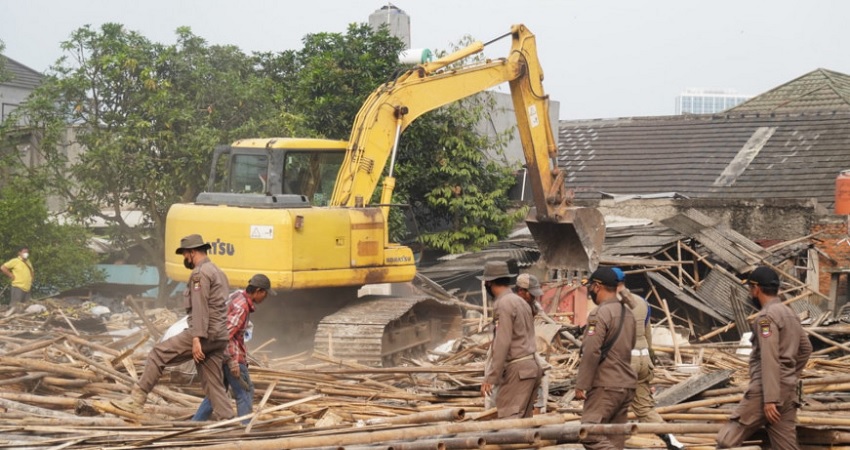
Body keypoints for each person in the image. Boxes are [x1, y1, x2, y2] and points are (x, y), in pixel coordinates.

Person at [113, 234, 234, 420]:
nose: (185, 258)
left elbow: (201, 306)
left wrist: (196, 338)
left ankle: (135, 401)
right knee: (213, 384)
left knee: (157, 354)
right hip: (219, 336)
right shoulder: (218, 272)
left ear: (192, 252)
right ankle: (230, 422)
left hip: (204, 333)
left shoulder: (199, 274)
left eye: (185, 254)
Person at [716, 266, 812, 450]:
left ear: (756, 289)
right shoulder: (790, 314)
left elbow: (769, 356)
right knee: (786, 446)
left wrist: (770, 399)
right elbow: (806, 349)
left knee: (726, 441)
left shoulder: (766, 318)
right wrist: (789, 375)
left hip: (765, 393)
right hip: (788, 391)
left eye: (750, 289)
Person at [612, 267, 684, 450]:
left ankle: (611, 443)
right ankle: (672, 440)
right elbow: (647, 334)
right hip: (643, 358)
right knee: (644, 408)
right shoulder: (642, 302)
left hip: (624, 361)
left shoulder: (611, 304)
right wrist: (650, 361)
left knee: (611, 405)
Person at [193, 274, 274, 424]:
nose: (265, 297)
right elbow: (224, 335)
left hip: (219, 355)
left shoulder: (237, 295)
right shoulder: (242, 307)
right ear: (258, 291)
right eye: (265, 293)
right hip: (231, 356)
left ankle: (195, 424)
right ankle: (245, 429)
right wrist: (232, 362)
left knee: (217, 394)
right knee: (245, 391)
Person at [576, 267, 637, 450]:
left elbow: (591, 351)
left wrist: (582, 384)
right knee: (614, 439)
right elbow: (630, 346)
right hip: (626, 384)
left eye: (591, 286)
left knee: (589, 433)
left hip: (605, 384)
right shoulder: (628, 314)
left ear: (597, 286)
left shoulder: (599, 314)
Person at [480, 261, 543, 419]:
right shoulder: (521, 302)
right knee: (523, 425)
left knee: (508, 424)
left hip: (518, 370)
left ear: (488, 283)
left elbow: (503, 342)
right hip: (531, 368)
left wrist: (491, 377)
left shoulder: (503, 304)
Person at [515, 273, 553, 415]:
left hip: (527, 349)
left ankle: (539, 408)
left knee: (543, 370)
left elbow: (542, 315)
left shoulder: (533, 305)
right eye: (531, 294)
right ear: (521, 292)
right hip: (512, 350)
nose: (534, 297)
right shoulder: (510, 306)